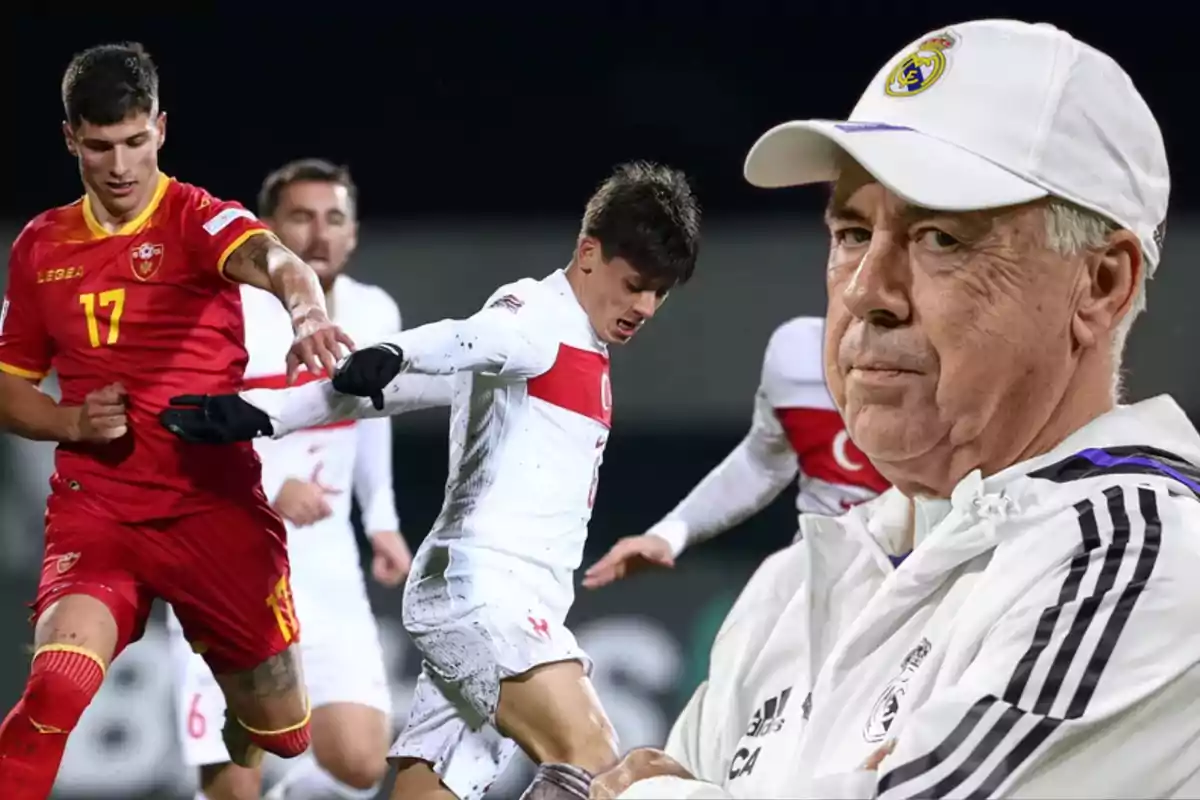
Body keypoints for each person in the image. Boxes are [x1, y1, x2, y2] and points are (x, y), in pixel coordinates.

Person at [591, 19, 1200, 800]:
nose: (866, 291)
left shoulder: (1143, 557)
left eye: (941, 238)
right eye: (851, 232)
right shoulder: (799, 584)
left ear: (1102, 285)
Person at [158, 160, 703, 800]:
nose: (645, 306)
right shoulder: (536, 315)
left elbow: (394, 392)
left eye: (660, 292)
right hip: (486, 598)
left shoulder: (579, 340)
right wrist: (395, 350)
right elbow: (468, 338)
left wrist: (266, 412)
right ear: (589, 253)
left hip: (507, 603)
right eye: (635, 283)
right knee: (597, 763)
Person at [0, 43, 352, 799]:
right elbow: (9, 389)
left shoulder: (195, 217)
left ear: (160, 128)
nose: (120, 165)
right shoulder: (40, 248)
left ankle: (232, 698)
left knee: (283, 732)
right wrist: (70, 423)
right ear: (71, 139)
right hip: (101, 513)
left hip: (212, 510)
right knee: (54, 690)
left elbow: (280, 261)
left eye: (135, 141)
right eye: (100, 146)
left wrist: (309, 311)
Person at [165, 158, 433, 800]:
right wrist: (269, 484)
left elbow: (376, 420)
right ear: (266, 232)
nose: (319, 234)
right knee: (233, 784)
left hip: (327, 567)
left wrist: (384, 522)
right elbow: (180, 432)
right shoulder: (226, 314)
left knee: (363, 763)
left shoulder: (374, 310)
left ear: (354, 233)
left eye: (334, 219)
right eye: (301, 219)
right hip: (227, 563)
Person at [583, 315, 889, 589]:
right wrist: (670, 533)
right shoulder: (799, 355)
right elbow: (762, 465)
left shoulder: (935, 370)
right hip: (819, 584)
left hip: (923, 583)